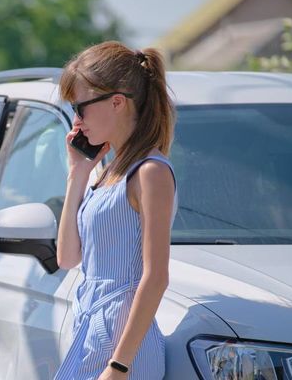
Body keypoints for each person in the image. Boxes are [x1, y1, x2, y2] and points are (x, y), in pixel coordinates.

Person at [54, 41, 176, 379]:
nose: (76, 121)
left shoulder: (150, 172)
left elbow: (155, 277)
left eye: (80, 108)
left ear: (117, 102)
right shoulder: (108, 171)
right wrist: (78, 172)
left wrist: (119, 364)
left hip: (123, 346)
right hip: (91, 330)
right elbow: (67, 257)